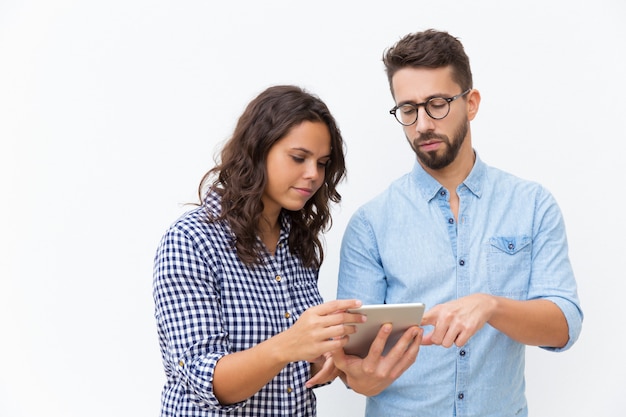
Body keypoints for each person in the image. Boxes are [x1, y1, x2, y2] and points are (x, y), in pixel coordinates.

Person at [334, 29, 583, 417]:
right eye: (408, 110)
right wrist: (359, 375)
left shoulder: (532, 204)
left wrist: (491, 306)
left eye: (436, 103)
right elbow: (354, 365)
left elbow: (564, 325)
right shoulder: (370, 224)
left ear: (471, 103)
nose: (422, 125)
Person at [153, 85, 372, 416]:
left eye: (322, 163)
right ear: (257, 151)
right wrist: (290, 344)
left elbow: (291, 373)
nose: (313, 174)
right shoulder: (190, 240)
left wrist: (328, 359)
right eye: (299, 158)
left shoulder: (297, 244)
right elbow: (207, 382)